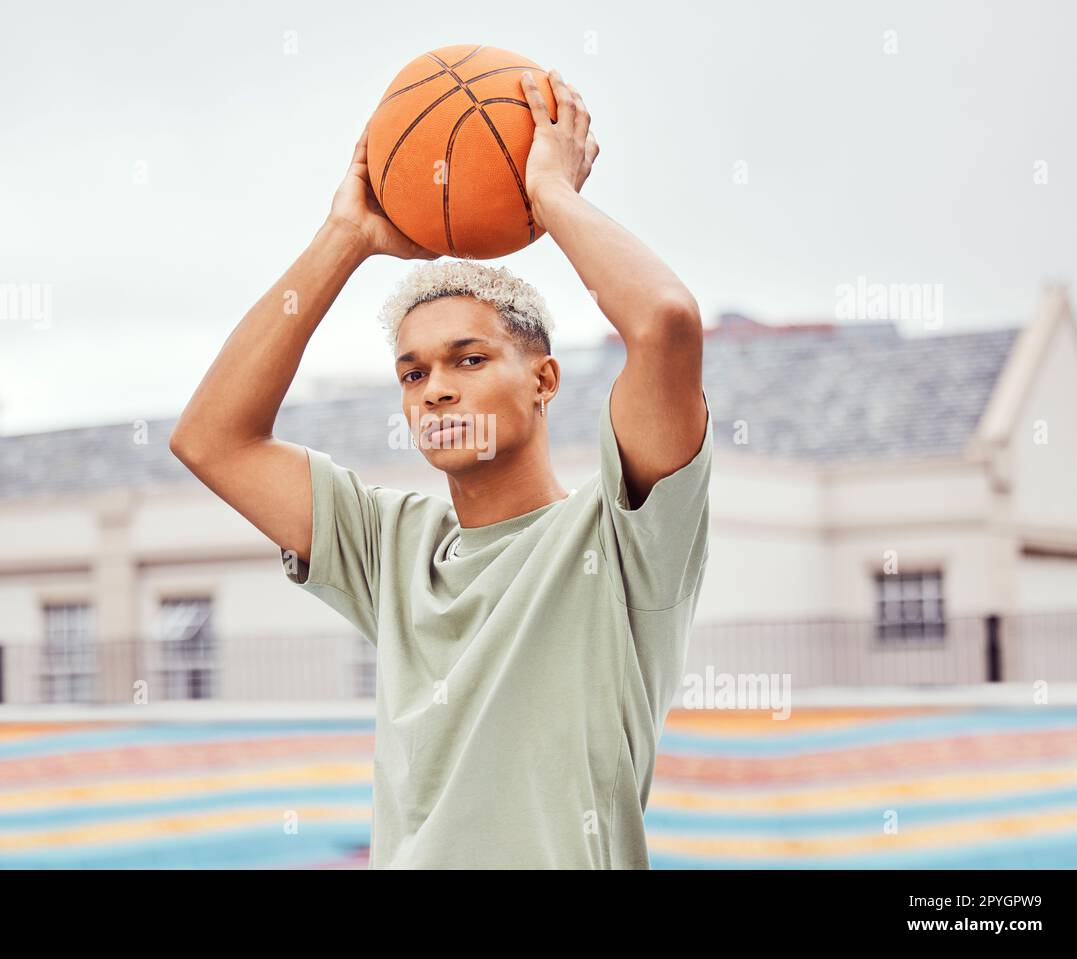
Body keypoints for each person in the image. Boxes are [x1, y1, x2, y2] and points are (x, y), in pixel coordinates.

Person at [170, 68, 711, 869]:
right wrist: (343, 239)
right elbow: (211, 439)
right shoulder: (393, 545)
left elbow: (665, 322)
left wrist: (551, 192)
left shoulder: (624, 535)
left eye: (469, 356)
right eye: (413, 371)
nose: (437, 388)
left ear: (544, 380)